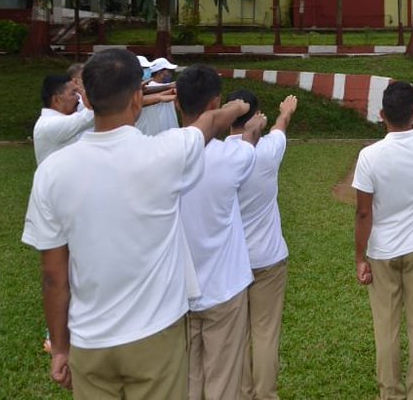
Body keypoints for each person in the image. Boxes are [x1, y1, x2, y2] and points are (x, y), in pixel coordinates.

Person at [21, 48, 248, 397]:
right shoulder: (164, 153)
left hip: (89, 341)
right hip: (155, 336)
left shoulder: (52, 172)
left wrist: (62, 347)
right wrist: (235, 109)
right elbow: (207, 124)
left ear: (88, 100)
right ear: (138, 98)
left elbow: (53, 275)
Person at [353, 82, 413, 400]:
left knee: (386, 327)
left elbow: (364, 214)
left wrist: (360, 258)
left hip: (381, 250)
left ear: (381, 114)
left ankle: (389, 393)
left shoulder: (369, 156)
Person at [178, 65, 262, 400]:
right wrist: (244, 115)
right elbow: (249, 142)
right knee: (223, 382)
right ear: (216, 104)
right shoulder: (234, 155)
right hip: (224, 287)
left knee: (187, 379)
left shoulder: (160, 151)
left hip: (178, 289)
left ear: (176, 104)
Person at [227, 90, 298, 400]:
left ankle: (242, 394)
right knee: (266, 333)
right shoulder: (268, 151)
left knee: (236, 336)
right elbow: (280, 129)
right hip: (268, 258)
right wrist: (285, 111)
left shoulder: (216, 155)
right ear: (255, 115)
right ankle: (266, 395)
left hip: (230, 262)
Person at [33, 73, 95, 165]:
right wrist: (85, 92)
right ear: (56, 99)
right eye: (73, 93)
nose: (78, 97)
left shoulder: (51, 121)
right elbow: (91, 114)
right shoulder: (50, 124)